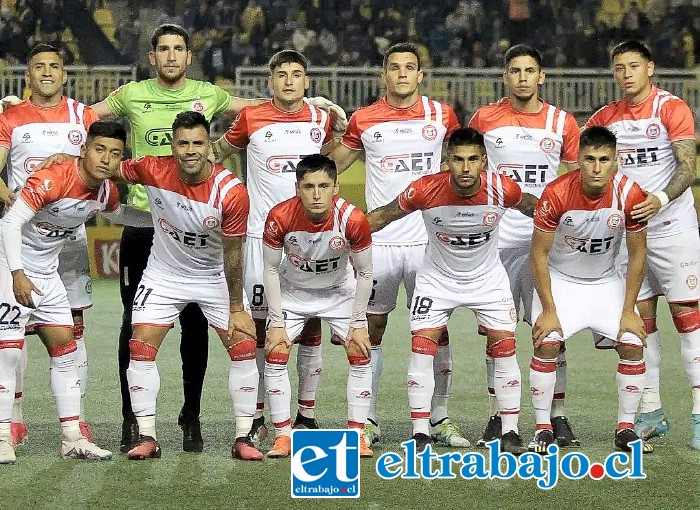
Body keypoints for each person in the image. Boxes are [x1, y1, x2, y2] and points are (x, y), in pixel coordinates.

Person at [81, 23, 344, 453]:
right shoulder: (133, 106)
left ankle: (199, 419)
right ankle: (137, 425)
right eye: (162, 48)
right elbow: (92, 134)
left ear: (188, 55)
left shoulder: (222, 155)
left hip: (211, 255)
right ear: (153, 56)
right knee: (135, 331)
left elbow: (260, 107)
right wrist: (47, 124)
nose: (170, 55)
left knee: (209, 334)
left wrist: (300, 101)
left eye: (178, 48)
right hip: (147, 232)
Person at [366, 127, 536, 454]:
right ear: (447, 162)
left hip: (487, 280)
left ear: (484, 162)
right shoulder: (425, 190)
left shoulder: (502, 188)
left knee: (505, 348)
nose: (466, 167)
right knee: (422, 347)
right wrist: (345, 230)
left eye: (473, 160)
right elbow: (383, 216)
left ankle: (511, 431)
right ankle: (419, 432)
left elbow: (538, 207)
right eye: (458, 160)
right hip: (437, 279)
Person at [330, 42, 465, 448]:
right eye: (395, 68)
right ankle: (366, 419)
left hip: (429, 242)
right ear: (383, 75)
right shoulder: (364, 119)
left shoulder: (443, 116)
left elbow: (465, 160)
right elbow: (332, 164)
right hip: (381, 242)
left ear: (421, 75)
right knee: (372, 328)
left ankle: (439, 418)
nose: (402, 74)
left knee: (435, 331)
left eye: (410, 67)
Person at [115, 111, 261, 461]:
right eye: (183, 143)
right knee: (140, 345)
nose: (190, 150)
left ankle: (244, 437)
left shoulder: (231, 193)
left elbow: (234, 254)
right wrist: (67, 160)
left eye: (198, 143)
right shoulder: (152, 168)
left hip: (214, 277)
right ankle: (147, 436)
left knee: (243, 346)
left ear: (209, 146)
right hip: (163, 275)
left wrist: (236, 308)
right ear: (173, 146)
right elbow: (104, 167)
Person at [0, 120, 148, 464]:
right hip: (9, 267)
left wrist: (166, 220)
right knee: (7, 355)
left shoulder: (106, 191)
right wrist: (17, 274)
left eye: (114, 154)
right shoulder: (53, 177)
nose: (106, 159)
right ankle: (3, 435)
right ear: (84, 150)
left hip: (48, 274)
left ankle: (71, 438)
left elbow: (120, 215)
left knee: (65, 351)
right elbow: (9, 222)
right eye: (99, 150)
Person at [211, 50, 334, 441]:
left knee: (311, 322)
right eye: (281, 75)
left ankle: (306, 414)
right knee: (263, 326)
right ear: (270, 82)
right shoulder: (250, 117)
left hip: (310, 239)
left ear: (306, 81)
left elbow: (331, 162)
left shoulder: (320, 118)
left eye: (296, 75)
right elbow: (219, 151)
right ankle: (261, 415)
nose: (289, 81)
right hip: (259, 237)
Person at [585, 40, 700, 449]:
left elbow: (688, 165)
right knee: (639, 321)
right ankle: (651, 411)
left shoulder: (671, 108)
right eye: (619, 67)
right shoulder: (603, 119)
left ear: (650, 67)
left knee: (688, 318)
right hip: (629, 237)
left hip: (673, 228)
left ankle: (699, 414)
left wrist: (661, 200)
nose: (626, 73)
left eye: (634, 65)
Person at [468, 44, 581, 448]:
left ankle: (557, 416)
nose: (522, 78)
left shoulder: (562, 122)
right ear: (505, 76)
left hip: (544, 239)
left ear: (541, 76)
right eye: (514, 71)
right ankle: (500, 417)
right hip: (495, 239)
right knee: (497, 334)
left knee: (552, 329)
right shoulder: (484, 119)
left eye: (529, 70)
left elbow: (575, 180)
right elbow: (470, 170)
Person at [528, 126, 653, 454]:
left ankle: (625, 429)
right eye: (590, 159)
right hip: (561, 281)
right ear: (578, 161)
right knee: (548, 342)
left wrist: (628, 311)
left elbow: (638, 253)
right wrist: (549, 309)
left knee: (632, 343)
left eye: (604, 159)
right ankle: (543, 427)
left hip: (605, 282)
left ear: (616, 161)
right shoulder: (556, 193)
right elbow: (538, 254)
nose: (597, 167)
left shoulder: (631, 194)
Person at [0, 43, 100, 448]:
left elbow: (102, 162)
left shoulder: (85, 117)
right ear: (28, 76)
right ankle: (15, 417)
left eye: (53, 67)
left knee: (73, 331)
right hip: (22, 240)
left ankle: (77, 423)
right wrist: (7, 192)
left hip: (70, 243)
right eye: (38, 67)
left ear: (64, 74)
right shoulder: (11, 118)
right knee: (13, 331)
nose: (46, 73)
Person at [262, 154, 374, 458]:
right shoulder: (279, 217)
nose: (316, 194)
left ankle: (357, 434)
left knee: (360, 350)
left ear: (336, 187)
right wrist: (275, 322)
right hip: (293, 292)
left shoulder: (353, 219)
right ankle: (283, 436)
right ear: (297, 187)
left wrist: (359, 323)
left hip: (338, 292)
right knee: (275, 350)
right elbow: (270, 270)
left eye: (323, 186)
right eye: (308, 186)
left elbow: (365, 272)